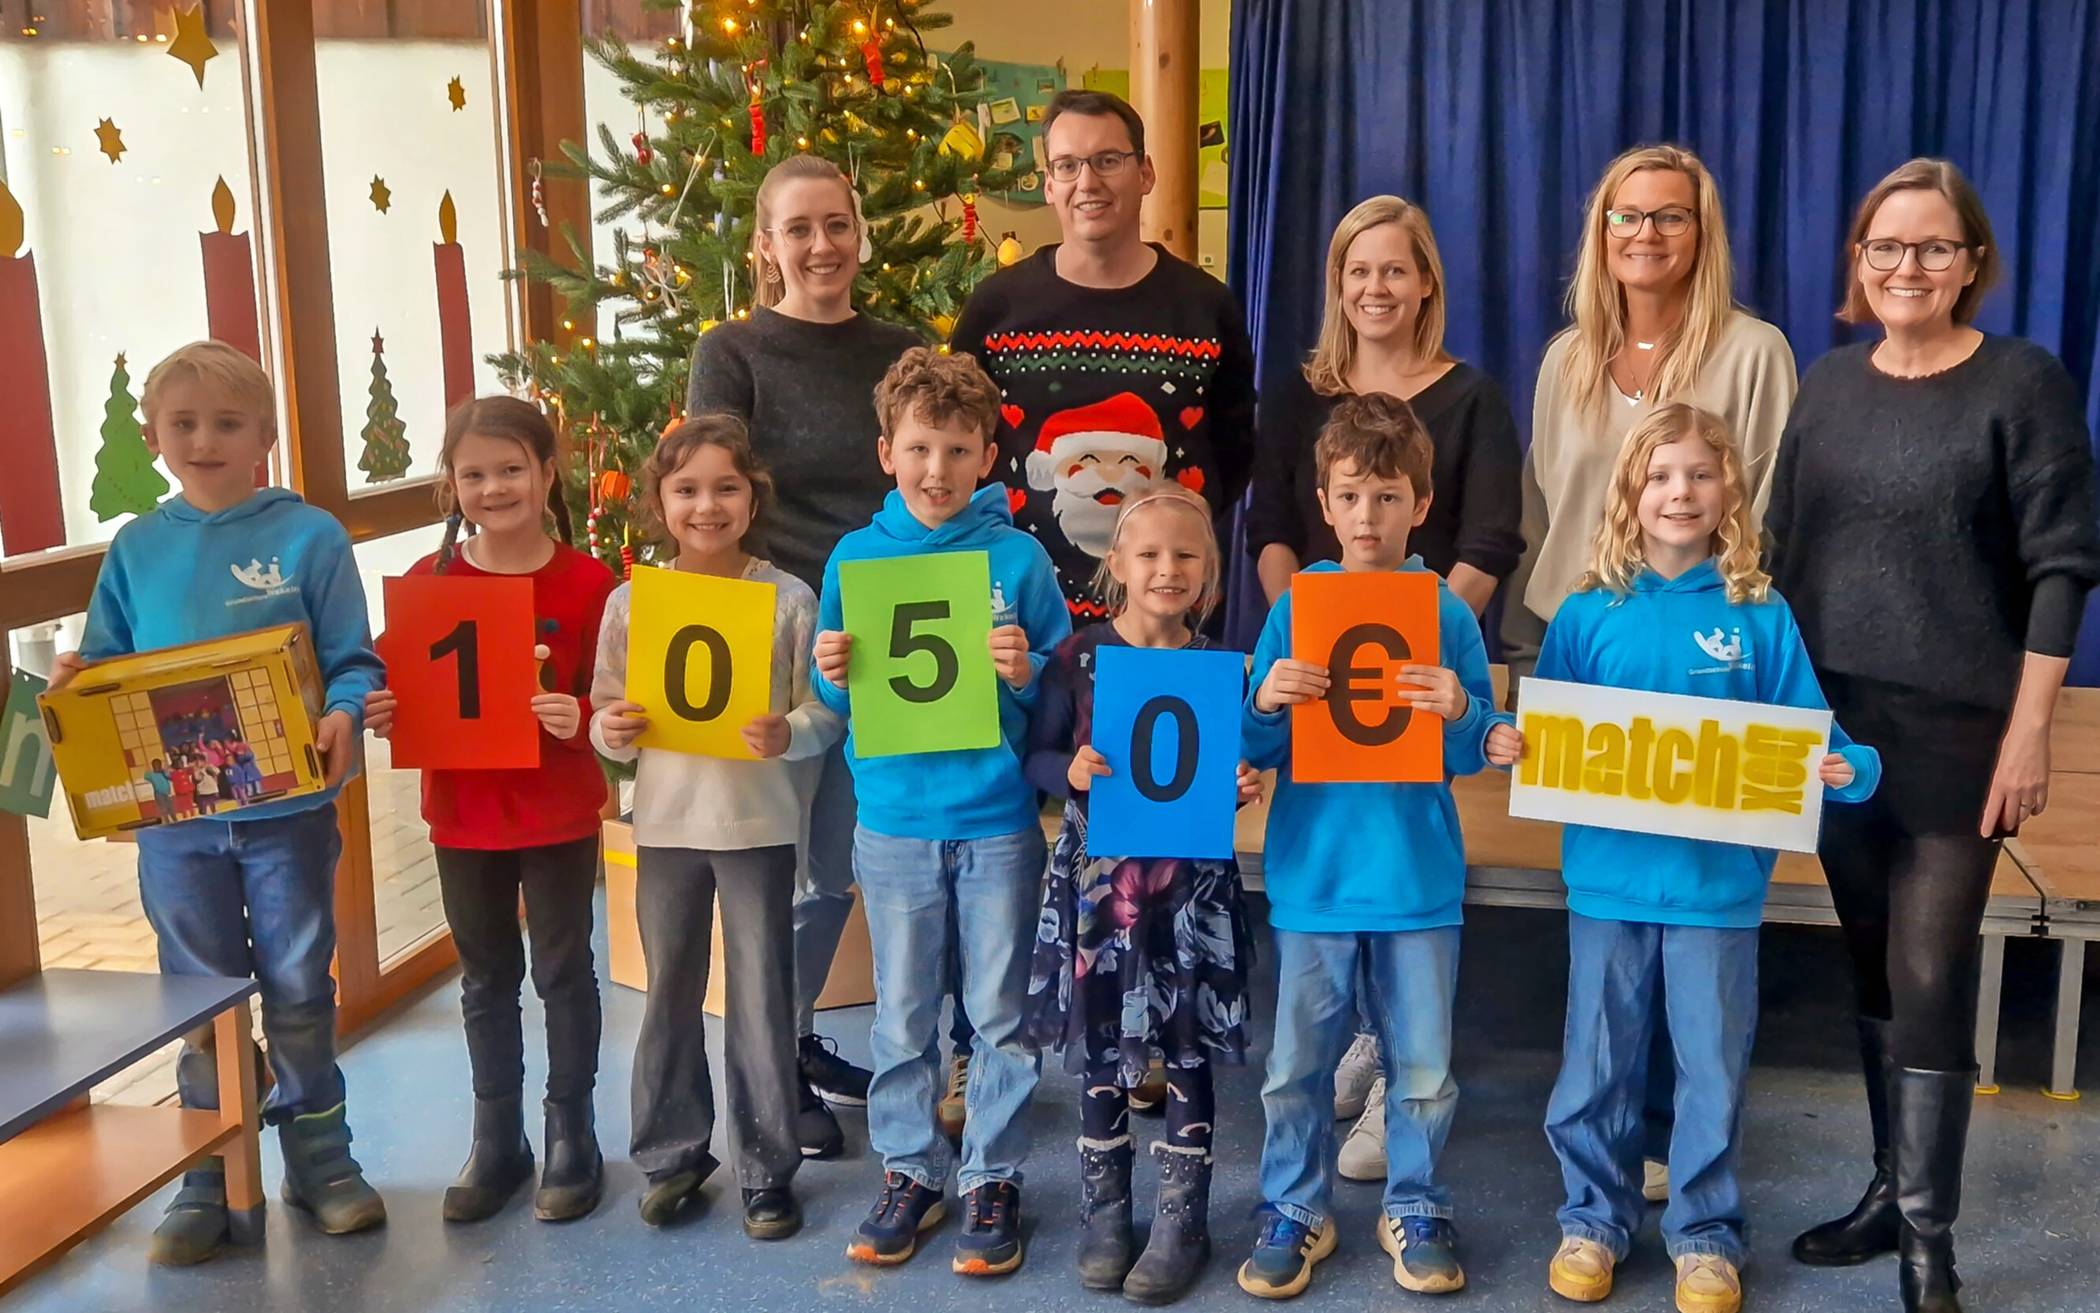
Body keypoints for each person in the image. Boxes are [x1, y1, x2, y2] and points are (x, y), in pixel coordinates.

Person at [1766, 159, 2100, 1313]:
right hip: (1833, 727)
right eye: (1886, 248)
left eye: (1933, 247)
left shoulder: (2022, 382)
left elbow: (2064, 564)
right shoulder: (1827, 385)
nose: (1908, 267)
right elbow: (1779, 549)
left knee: (1928, 963)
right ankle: (1885, 1183)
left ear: (1973, 262)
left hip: (1962, 729)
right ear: (1859, 262)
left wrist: (2031, 733)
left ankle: (1928, 1237)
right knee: (1868, 958)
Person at [1515, 403, 1881, 1313]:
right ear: (1631, 493)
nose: (1681, 492)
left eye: (1700, 475)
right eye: (1662, 475)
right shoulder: (1588, 612)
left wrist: (1851, 767)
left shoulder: (1759, 614)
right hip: (1607, 879)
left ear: (1730, 494)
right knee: (1595, 1063)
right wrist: (1512, 742)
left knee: (1712, 1064)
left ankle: (1705, 1234)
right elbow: (1543, 732)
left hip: (1719, 889)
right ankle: (1591, 1221)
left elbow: (1813, 729)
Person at [1503, 143, 1797, 1200]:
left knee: (1701, 902)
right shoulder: (1565, 358)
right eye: (1627, 216)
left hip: (1706, 645)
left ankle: (1681, 1142)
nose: (1645, 234)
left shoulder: (1756, 351)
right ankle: (1601, 1151)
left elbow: (1770, 508)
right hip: (1584, 640)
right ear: (1602, 232)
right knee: (1609, 909)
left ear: (1701, 233)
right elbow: (1542, 510)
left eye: (1669, 217)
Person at [50, 339, 386, 1265]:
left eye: (227, 423)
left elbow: (354, 657)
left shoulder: (310, 536)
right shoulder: (136, 547)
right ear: (155, 437)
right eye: (184, 423)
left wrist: (347, 709)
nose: (205, 439)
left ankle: (322, 1161)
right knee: (198, 998)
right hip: (176, 827)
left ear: (265, 437)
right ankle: (206, 1172)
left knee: (298, 984)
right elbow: (109, 662)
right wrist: (78, 678)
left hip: (291, 816)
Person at [1236, 394, 1519, 1300]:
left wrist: (1464, 711)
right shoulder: (1297, 608)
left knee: (1425, 1069)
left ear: (1421, 506)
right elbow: (1254, 745)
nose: (1369, 516)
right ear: (1324, 502)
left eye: (1388, 497)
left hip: (1416, 878)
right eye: (1352, 495)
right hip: (1316, 876)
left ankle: (1419, 1201)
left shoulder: (1446, 614)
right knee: (1295, 1068)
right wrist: (1265, 700)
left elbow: (1481, 746)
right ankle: (1293, 1205)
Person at [688, 154, 932, 1153]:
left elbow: (927, 469)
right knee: (776, 871)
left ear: (859, 233)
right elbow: (713, 485)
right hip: (780, 631)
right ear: (767, 245)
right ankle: (769, 1062)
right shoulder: (732, 350)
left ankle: (790, 1035)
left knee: (833, 869)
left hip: (888, 627)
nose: (822, 246)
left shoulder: (899, 348)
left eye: (837, 224)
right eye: (800, 229)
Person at [813, 347, 1071, 1275]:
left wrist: (1027, 668)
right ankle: (910, 1169)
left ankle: (992, 1173)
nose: (937, 470)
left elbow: (1059, 684)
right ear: (888, 451)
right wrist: (828, 672)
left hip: (997, 818)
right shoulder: (855, 556)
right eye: (920, 448)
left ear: (988, 457)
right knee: (901, 1015)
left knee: (999, 1011)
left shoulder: (1017, 557)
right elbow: (833, 688)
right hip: (893, 821)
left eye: (958, 450)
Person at [361, 397, 617, 1225]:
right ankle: (497, 1135)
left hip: (557, 809)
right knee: (485, 977)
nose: (494, 487)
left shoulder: (590, 583)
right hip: (463, 811)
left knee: (563, 968)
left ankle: (571, 1131)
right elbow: (401, 686)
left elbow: (614, 702)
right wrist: (386, 708)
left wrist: (578, 716)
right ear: (451, 486)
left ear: (548, 473)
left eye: (512, 469)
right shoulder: (431, 587)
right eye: (473, 474)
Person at [591, 415, 841, 1239]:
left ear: (753, 495)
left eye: (726, 487)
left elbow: (823, 713)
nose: (707, 505)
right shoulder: (634, 603)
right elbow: (605, 712)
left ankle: (767, 1167)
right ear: (659, 502)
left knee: (763, 997)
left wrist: (791, 731)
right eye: (687, 489)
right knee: (668, 990)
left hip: (759, 826)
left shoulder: (788, 598)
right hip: (664, 824)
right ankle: (672, 1154)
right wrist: (612, 731)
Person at [1023, 485, 1260, 1302]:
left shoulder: (1222, 667)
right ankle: (1105, 1208)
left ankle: (1182, 1215)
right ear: (1115, 564)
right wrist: (1070, 771)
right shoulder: (1077, 658)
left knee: (1186, 1042)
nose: (1167, 569)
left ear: (1209, 572)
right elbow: (1036, 757)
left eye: (1186, 555)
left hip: (1191, 894)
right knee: (1098, 1043)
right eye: (1149, 554)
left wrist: (1240, 783)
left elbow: (1220, 772)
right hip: (1099, 892)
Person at [950, 88, 1258, 626]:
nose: (1087, 182)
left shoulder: (1206, 307)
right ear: (1049, 185)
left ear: (1145, 174)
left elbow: (1234, 450)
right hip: (1017, 631)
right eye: (1067, 165)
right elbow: (958, 448)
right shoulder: (995, 310)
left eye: (1107, 161)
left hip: (1167, 628)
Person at [1247, 194, 1523, 616]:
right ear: (1339, 282)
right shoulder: (1294, 398)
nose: (1375, 288)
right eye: (1360, 271)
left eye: (1394, 271)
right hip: (1316, 650)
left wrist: (1423, 639)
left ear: (1426, 282)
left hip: (1430, 656)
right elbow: (1271, 531)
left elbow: (1488, 547)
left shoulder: (1475, 402)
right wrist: (1305, 632)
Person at [144, 758, 174, 822]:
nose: (157, 767)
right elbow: (145, 776)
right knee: (163, 808)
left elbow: (170, 778)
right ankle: (167, 820)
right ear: (153, 767)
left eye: (158, 765)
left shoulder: (163, 773)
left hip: (167, 792)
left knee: (170, 807)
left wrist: (164, 771)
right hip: (158, 793)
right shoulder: (151, 774)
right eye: (155, 765)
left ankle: (175, 819)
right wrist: (149, 769)